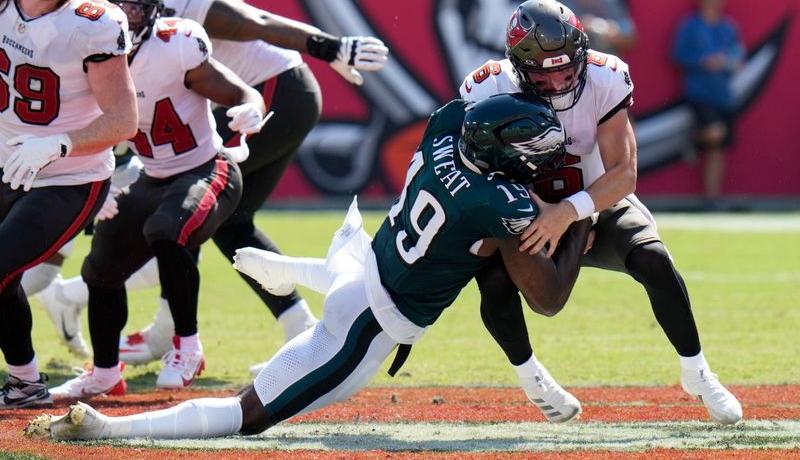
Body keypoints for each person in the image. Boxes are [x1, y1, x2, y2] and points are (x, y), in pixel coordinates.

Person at [24, 92, 593, 440]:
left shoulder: (448, 127)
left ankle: (288, 270)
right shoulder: (499, 201)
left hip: (365, 269)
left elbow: (472, 114)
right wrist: (584, 213)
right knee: (243, 417)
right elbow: (547, 296)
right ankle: (110, 429)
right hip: (368, 328)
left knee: (267, 383)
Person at [33, 0, 389, 372]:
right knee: (228, 221)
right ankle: (300, 330)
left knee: (185, 199)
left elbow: (251, 22)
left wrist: (327, 44)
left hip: (266, 92)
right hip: (269, 92)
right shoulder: (141, 1)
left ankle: (152, 325)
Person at [458, 0, 742, 425]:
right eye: (541, 73)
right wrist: (540, 212)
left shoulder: (606, 77)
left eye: (565, 69)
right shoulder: (487, 87)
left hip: (594, 200)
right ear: (516, 65)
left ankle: (698, 373)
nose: (556, 84)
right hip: (524, 210)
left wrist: (573, 212)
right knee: (492, 274)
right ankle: (533, 377)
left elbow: (624, 174)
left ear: (581, 53)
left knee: (654, 258)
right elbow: (475, 170)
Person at [48, 0, 270, 397]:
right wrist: (96, 184)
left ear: (153, 9)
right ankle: (106, 373)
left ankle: (187, 346)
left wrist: (251, 106)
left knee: (167, 228)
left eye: (134, 7)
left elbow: (238, 90)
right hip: (151, 176)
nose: (125, 17)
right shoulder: (88, 54)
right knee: (101, 263)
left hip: (207, 167)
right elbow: (81, 128)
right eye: (116, 6)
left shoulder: (175, 44)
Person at [0, 0, 138, 408]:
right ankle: (25, 384)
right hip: (5, 164)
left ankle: (24, 384)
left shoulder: (92, 20)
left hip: (69, 176)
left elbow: (124, 119)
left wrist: (58, 142)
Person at [672, 0, 744, 206]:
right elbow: (677, 54)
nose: (712, 2)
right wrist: (702, 61)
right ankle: (691, 142)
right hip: (699, 93)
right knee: (715, 132)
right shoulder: (690, 25)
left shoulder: (729, 27)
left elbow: (738, 55)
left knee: (718, 148)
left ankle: (712, 197)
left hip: (722, 94)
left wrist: (729, 62)